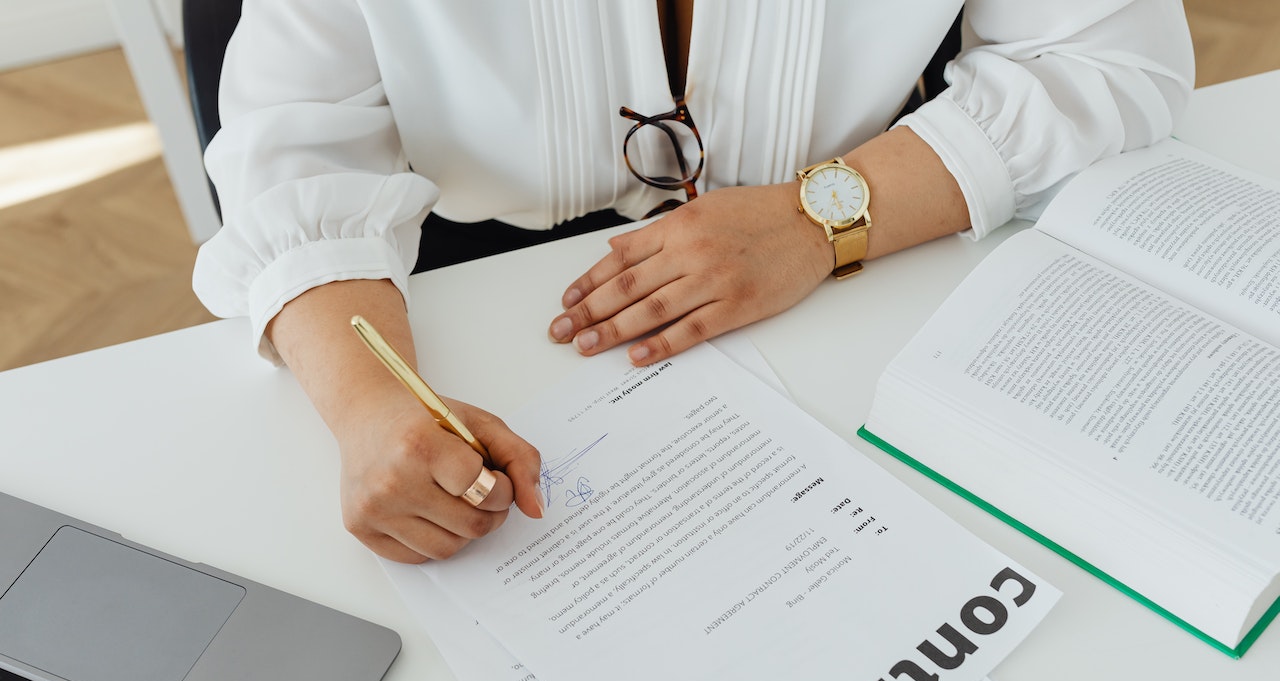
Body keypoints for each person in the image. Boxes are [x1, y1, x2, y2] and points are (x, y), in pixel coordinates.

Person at [192, 0, 1195, 564]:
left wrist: (815, 218)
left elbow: (1111, 60)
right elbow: (294, 144)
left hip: (861, 256)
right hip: (461, 281)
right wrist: (370, 405)